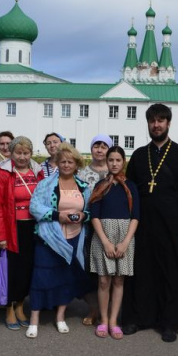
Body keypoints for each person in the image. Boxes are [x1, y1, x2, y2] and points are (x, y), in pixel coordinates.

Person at [123, 103, 178, 342]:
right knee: (141, 271)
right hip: (142, 224)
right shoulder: (138, 155)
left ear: (168, 123)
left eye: (160, 121)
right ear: (148, 124)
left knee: (170, 273)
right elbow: (130, 191)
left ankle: (169, 323)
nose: (156, 125)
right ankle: (138, 317)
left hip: (172, 225)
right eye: (152, 121)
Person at [26, 143, 91, 338]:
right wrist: (57, 216)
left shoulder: (83, 186)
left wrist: (83, 216)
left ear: (76, 164)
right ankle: (34, 319)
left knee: (65, 278)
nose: (66, 164)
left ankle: (60, 317)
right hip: (49, 238)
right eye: (62, 161)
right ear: (57, 163)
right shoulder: (45, 184)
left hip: (74, 238)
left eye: (70, 161)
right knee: (41, 278)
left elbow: (89, 210)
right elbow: (34, 207)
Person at [0, 136, 44, 330]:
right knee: (12, 269)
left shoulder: (37, 172)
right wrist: (0, 236)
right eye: (18, 153)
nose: (22, 157)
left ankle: (21, 305)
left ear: (31, 153)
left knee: (28, 268)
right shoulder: (3, 173)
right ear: (11, 153)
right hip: (12, 227)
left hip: (34, 227)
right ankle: (9, 309)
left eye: (26, 153)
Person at [88, 146, 140, 340]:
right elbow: (94, 215)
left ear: (123, 162)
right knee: (103, 280)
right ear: (107, 162)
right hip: (104, 235)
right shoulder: (100, 185)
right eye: (111, 160)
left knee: (119, 279)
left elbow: (135, 216)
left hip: (125, 236)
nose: (115, 163)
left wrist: (126, 241)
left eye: (118, 160)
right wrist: (106, 242)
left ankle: (113, 321)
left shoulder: (131, 186)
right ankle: (103, 320)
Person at [77, 134, 112, 326]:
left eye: (103, 146)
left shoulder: (114, 170)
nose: (99, 150)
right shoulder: (82, 173)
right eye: (96, 146)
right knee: (89, 267)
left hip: (111, 225)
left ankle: (108, 310)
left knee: (108, 269)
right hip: (88, 226)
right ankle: (93, 307)